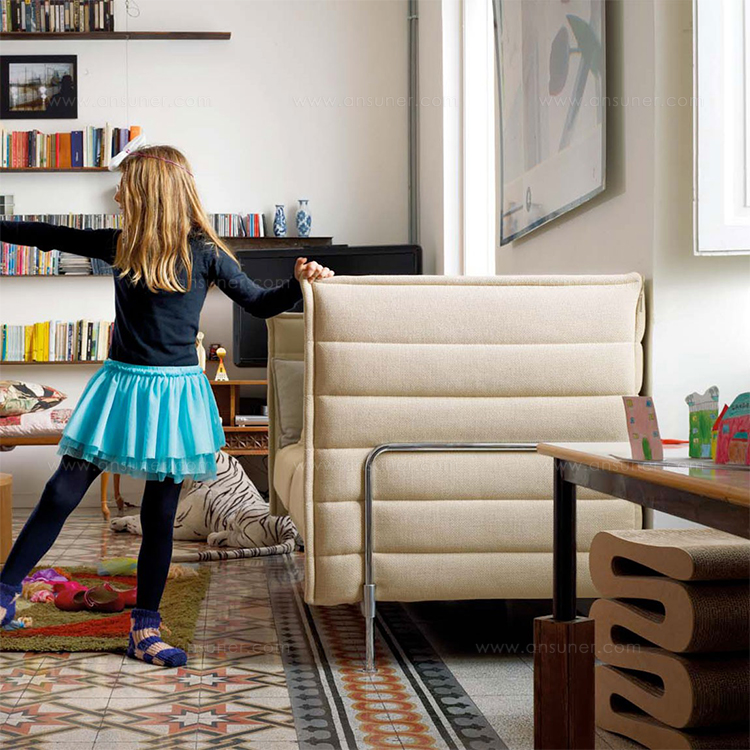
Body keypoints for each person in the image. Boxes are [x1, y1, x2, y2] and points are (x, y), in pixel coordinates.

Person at [0, 145, 334, 667]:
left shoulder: (205, 252)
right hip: (121, 390)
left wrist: (298, 281)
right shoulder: (121, 244)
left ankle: (145, 630)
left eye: (125, 185)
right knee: (61, 492)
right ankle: (2, 596)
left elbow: (261, 303)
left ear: (147, 191)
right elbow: (45, 234)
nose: (117, 194)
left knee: (159, 514)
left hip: (176, 397)